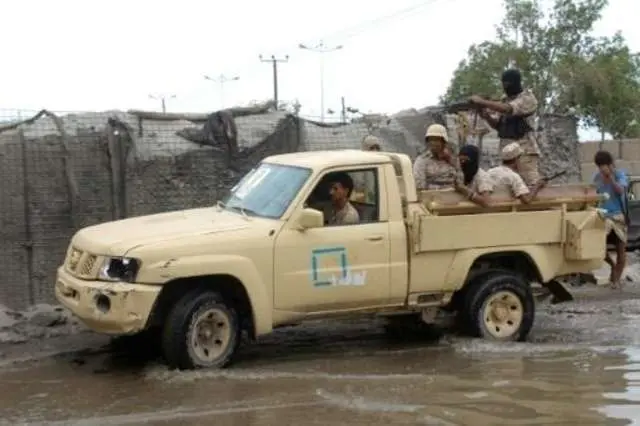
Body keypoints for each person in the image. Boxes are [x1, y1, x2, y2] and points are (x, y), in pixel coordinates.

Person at [469, 68, 541, 187]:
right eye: (503, 83)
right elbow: (498, 125)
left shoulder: (527, 98)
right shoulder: (505, 99)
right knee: (509, 186)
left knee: (531, 185)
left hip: (524, 151)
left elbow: (509, 109)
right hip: (507, 152)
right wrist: (486, 115)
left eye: (508, 83)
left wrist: (483, 102)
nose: (505, 86)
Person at [593, 150, 629, 289]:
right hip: (603, 216)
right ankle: (612, 266)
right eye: (599, 166)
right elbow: (594, 193)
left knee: (621, 250)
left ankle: (616, 280)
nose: (602, 168)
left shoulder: (620, 175)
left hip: (618, 216)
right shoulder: (597, 177)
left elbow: (621, 191)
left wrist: (611, 178)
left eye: (604, 165)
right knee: (598, 246)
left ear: (610, 164)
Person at [412, 123, 462, 190]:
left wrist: (450, 161)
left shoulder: (453, 159)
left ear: (444, 142)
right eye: (430, 140)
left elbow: (460, 180)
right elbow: (419, 186)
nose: (433, 143)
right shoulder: (422, 160)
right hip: (432, 197)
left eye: (436, 140)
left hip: (454, 195)